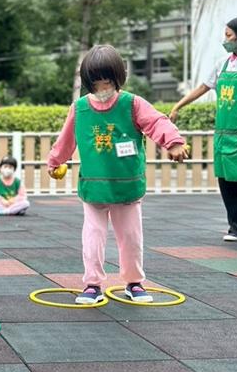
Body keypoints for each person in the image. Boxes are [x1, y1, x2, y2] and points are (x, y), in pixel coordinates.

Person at [46, 44, 188, 305]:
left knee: (131, 238)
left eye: (108, 82)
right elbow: (66, 139)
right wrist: (55, 160)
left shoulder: (132, 104)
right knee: (93, 237)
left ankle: (134, 283)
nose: (103, 88)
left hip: (126, 186)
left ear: (118, 78)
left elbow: (157, 121)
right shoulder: (80, 108)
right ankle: (92, 285)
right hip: (95, 187)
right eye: (96, 83)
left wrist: (173, 142)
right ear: (88, 83)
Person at [170, 15, 237, 244]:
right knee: (227, 182)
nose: (225, 40)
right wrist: (178, 105)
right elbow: (203, 87)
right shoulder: (223, 63)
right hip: (224, 134)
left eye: (229, 35)